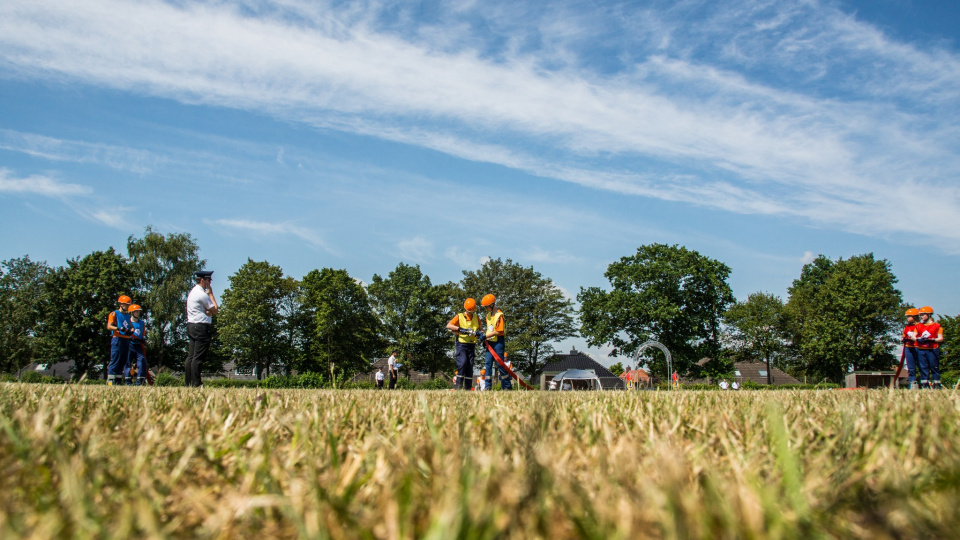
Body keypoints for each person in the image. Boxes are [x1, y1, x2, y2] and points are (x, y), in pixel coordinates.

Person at [185, 270, 217, 387]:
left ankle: (188, 382)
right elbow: (215, 309)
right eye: (208, 281)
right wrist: (211, 294)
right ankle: (196, 383)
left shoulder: (192, 292)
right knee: (198, 357)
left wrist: (210, 312)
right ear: (203, 280)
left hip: (192, 325)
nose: (209, 284)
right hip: (201, 326)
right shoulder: (202, 294)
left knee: (191, 356)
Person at [446, 298, 481, 390]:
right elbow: (449, 325)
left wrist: (479, 333)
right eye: (468, 311)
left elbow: (481, 330)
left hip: (471, 344)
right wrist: (461, 329)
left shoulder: (476, 317)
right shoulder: (460, 316)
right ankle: (458, 386)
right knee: (463, 363)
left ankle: (468, 387)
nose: (470, 313)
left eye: (471, 311)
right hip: (461, 344)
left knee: (470, 365)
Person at [480, 294, 509, 390]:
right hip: (489, 342)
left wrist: (485, 336)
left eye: (486, 307)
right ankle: (488, 387)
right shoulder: (488, 315)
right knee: (488, 364)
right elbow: (489, 329)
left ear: (492, 305)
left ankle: (506, 387)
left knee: (500, 365)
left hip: (498, 343)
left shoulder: (499, 315)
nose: (485, 309)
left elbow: (498, 331)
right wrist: (485, 338)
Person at [106, 295, 133, 386]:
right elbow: (109, 326)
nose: (127, 306)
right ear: (121, 304)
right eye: (126, 305)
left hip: (126, 340)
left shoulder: (127, 316)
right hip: (117, 339)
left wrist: (131, 331)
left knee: (122, 361)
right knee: (115, 360)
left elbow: (131, 327)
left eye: (129, 305)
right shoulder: (114, 314)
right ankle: (110, 382)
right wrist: (118, 328)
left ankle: (118, 381)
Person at [915, 306, 944, 389]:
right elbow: (914, 336)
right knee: (923, 368)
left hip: (932, 349)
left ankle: (937, 384)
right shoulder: (918, 326)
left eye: (923, 315)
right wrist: (918, 339)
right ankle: (925, 384)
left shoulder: (937, 326)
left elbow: (940, 338)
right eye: (920, 315)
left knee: (934, 367)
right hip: (921, 349)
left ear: (929, 315)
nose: (921, 317)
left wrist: (932, 340)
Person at [127, 304, 149, 386]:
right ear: (132, 312)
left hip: (138, 345)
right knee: (128, 363)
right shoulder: (128, 322)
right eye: (136, 311)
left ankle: (140, 382)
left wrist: (143, 339)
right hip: (129, 344)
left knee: (142, 361)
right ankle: (128, 382)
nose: (138, 313)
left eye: (139, 311)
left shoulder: (141, 323)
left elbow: (142, 333)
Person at [902, 308, 921, 389]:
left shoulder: (920, 326)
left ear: (914, 317)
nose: (907, 318)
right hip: (909, 348)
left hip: (918, 347)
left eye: (909, 316)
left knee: (921, 365)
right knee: (911, 367)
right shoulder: (907, 327)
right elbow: (903, 335)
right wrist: (903, 339)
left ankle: (924, 382)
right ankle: (912, 382)